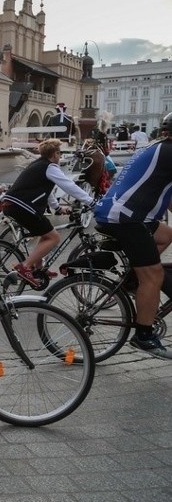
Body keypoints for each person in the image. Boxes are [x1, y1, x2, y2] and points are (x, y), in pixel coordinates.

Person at [94, 112, 172, 359]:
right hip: (127, 217)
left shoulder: (158, 148)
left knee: (166, 235)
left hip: (123, 213)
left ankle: (130, 280)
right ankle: (144, 335)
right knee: (154, 274)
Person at [0, 138, 95, 287]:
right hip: (23, 206)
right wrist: (91, 201)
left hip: (13, 204)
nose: (61, 156)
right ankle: (25, 267)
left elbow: (46, 189)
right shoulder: (50, 167)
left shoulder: (39, 165)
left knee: (44, 233)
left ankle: (39, 269)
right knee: (53, 237)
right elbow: (69, 185)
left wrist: (57, 208)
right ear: (55, 154)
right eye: (60, 152)